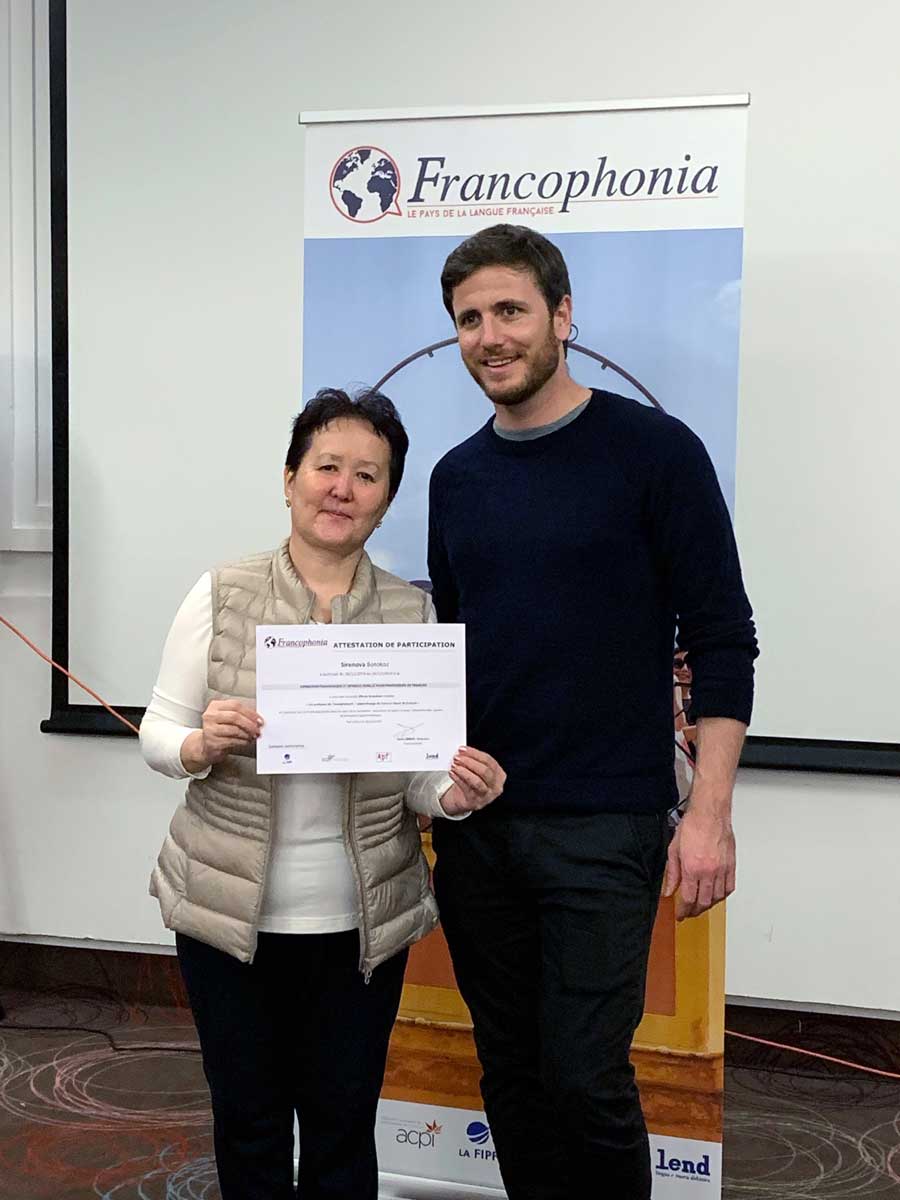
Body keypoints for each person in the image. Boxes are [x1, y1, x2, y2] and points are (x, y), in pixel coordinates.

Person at [427, 225, 758, 1200]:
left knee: (584, 1079)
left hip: (605, 829)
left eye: (510, 310)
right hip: (479, 834)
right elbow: (453, 651)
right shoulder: (454, 478)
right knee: (512, 1075)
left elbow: (724, 637)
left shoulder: (656, 452)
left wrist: (709, 816)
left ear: (563, 316)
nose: (490, 336)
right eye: (469, 319)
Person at [140, 387, 505, 1200]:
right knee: (249, 1122)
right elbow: (157, 733)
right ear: (289, 479)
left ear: (386, 499)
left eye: (367, 476)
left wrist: (454, 793)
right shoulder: (221, 593)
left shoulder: (412, 613)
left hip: (360, 925)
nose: (342, 489)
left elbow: (420, 773)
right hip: (229, 917)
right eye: (326, 467)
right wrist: (200, 743)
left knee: (343, 1125)